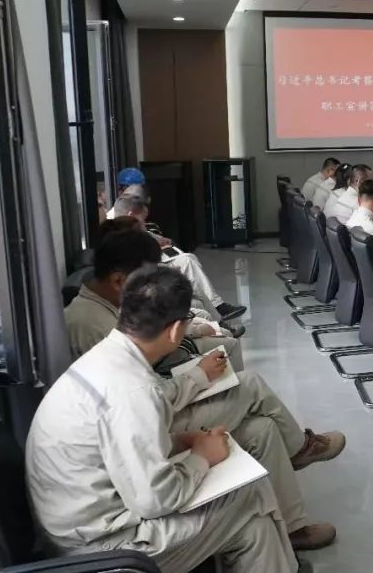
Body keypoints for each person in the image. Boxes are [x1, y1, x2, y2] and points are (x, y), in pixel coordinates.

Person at [26, 266, 340, 572]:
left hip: (88, 522)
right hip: (105, 546)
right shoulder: (134, 391)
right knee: (251, 494)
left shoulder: (107, 358)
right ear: (177, 330)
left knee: (254, 519)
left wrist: (180, 441)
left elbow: (126, 445)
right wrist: (202, 456)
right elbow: (156, 500)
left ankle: (282, 560)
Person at [65, 227, 244, 367]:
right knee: (232, 353)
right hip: (157, 380)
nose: (149, 287)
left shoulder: (110, 301)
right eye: (145, 281)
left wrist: (191, 331)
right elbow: (140, 384)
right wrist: (198, 374)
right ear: (118, 280)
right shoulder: (91, 326)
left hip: (155, 371)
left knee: (224, 340)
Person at [110, 196, 246, 322]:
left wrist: (160, 240)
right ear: (131, 215)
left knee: (190, 265)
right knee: (188, 263)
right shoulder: (118, 234)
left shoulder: (129, 225)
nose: (144, 222)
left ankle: (218, 314)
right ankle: (218, 313)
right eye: (143, 219)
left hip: (152, 264)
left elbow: (154, 239)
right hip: (145, 272)